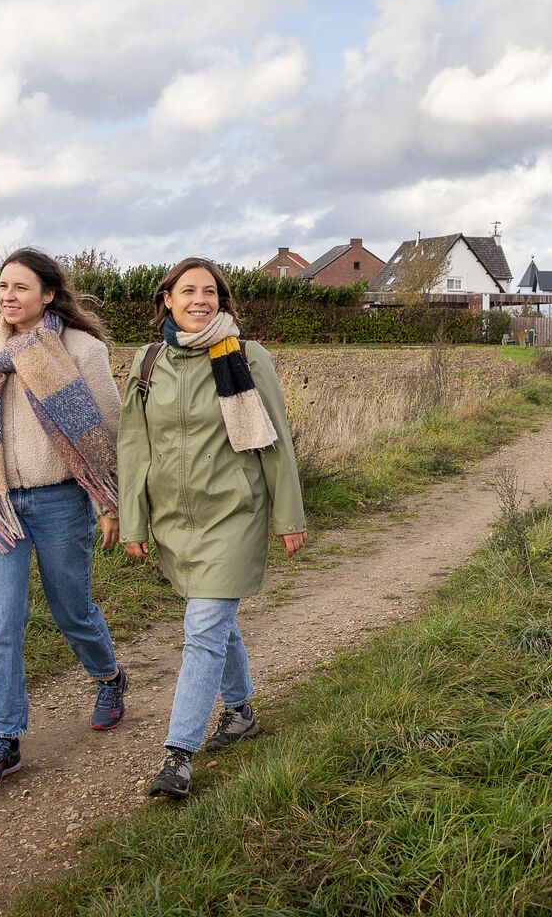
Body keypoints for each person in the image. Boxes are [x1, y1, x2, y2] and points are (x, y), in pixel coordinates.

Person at [118, 257, 306, 800]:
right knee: (214, 619)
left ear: (222, 301)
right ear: (168, 299)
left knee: (201, 629)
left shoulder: (245, 357)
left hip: (233, 513)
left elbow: (274, 442)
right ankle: (241, 711)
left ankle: (177, 755)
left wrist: (287, 516)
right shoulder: (149, 363)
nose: (200, 300)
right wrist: (135, 518)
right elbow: (133, 445)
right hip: (177, 519)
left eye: (210, 292)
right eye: (188, 291)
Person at [0, 248, 129, 790]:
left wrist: (108, 501)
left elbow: (105, 432)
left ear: (47, 294)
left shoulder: (81, 349)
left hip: (60, 500)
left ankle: (110, 678)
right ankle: (5, 739)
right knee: (1, 623)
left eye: (20, 287)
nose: (7, 297)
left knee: (72, 610)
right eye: (2, 287)